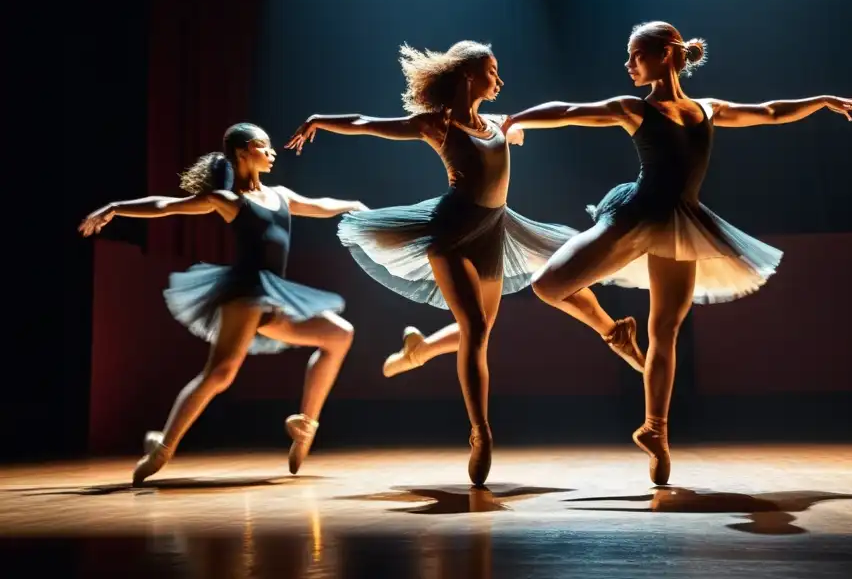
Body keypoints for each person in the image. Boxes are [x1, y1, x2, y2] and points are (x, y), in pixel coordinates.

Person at [500, 21, 852, 484]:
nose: (628, 64)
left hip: (680, 225)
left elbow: (772, 112)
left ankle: (656, 430)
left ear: (664, 55)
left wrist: (821, 100)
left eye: (635, 54)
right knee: (549, 285)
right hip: (633, 217)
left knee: (666, 331)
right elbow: (570, 111)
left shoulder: (707, 109)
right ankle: (614, 333)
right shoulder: (634, 108)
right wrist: (517, 118)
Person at [286, 41, 645, 485]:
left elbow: (530, 125)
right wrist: (321, 120)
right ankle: (481, 433)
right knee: (475, 329)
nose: (500, 80)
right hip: (451, 234)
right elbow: (366, 124)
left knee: (482, 326)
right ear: (469, 76)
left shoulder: (496, 121)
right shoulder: (436, 125)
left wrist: (521, 128)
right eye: (493, 71)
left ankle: (419, 351)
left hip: (494, 234)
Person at [79, 122, 366, 485]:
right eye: (264, 146)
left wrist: (350, 205)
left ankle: (304, 425)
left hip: (274, 297)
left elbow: (318, 206)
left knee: (339, 335)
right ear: (244, 152)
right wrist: (116, 208)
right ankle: (163, 448)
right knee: (220, 373)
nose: (272, 152)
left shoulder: (280, 195)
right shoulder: (230, 201)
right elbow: (167, 206)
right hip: (245, 295)